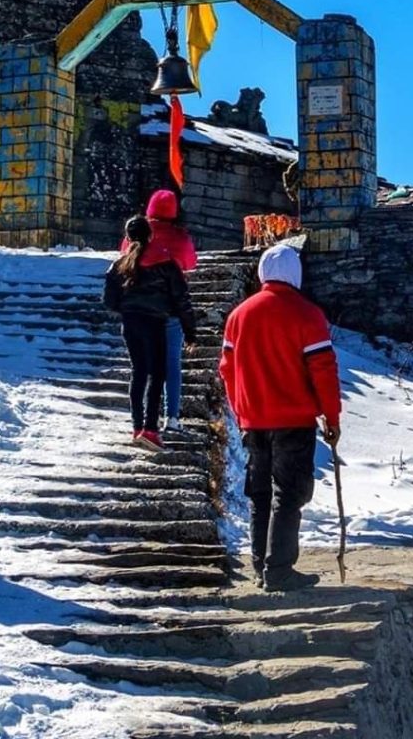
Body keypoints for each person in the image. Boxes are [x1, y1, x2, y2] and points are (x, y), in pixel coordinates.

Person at [219, 243, 341, 593]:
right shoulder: (307, 314)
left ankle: (260, 566)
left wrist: (240, 409)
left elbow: (226, 369)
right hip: (293, 419)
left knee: (258, 494)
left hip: (253, 419)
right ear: (295, 274)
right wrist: (331, 416)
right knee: (287, 494)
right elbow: (323, 370)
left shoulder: (239, 315)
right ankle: (280, 569)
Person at [104, 215, 197, 453]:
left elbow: (109, 300)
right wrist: (190, 331)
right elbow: (181, 299)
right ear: (150, 234)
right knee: (158, 374)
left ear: (127, 237)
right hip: (155, 323)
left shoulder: (118, 265)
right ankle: (151, 429)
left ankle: (137, 427)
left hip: (130, 323)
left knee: (139, 372)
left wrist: (127, 309)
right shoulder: (166, 263)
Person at [121, 189, 198, 434]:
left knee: (142, 368)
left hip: (138, 313)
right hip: (170, 311)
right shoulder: (180, 237)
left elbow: (124, 262)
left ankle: (140, 422)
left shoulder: (135, 236)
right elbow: (191, 264)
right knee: (171, 363)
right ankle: (172, 417)